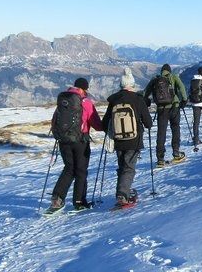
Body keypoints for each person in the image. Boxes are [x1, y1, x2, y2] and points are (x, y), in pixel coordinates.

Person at [48, 77, 104, 212]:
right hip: (80, 142)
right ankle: (79, 202)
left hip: (63, 141)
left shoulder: (63, 101)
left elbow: (55, 120)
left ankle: (57, 199)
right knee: (80, 171)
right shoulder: (86, 102)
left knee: (68, 169)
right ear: (84, 89)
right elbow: (97, 124)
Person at [102, 68, 152, 208]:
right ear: (132, 85)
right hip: (134, 139)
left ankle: (122, 191)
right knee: (129, 168)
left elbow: (104, 123)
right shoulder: (138, 99)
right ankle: (123, 195)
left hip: (118, 140)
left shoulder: (114, 100)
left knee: (122, 167)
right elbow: (148, 123)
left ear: (121, 85)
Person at [143, 64, 187, 166]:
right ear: (169, 71)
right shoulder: (174, 77)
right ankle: (176, 153)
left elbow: (145, 93)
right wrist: (184, 100)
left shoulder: (155, 79)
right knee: (175, 128)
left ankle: (160, 159)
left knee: (161, 133)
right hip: (174, 107)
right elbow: (182, 88)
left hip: (161, 109)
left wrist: (146, 101)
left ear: (161, 71)